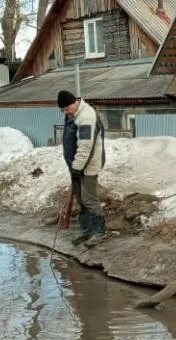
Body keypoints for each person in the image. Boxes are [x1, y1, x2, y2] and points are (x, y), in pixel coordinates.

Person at [58, 90, 107, 246]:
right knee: (80, 198)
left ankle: (99, 232)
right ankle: (87, 231)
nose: (65, 113)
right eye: (63, 110)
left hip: (88, 165)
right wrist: (74, 167)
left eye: (67, 109)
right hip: (77, 165)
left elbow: (85, 147)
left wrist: (77, 168)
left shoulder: (86, 117)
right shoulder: (73, 113)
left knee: (89, 198)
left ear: (74, 103)